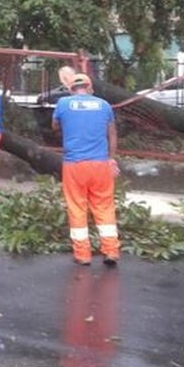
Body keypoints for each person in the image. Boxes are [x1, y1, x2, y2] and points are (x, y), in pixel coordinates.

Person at [51, 73, 120, 266]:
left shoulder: (64, 104)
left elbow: (54, 125)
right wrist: (111, 159)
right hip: (100, 165)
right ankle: (111, 250)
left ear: (71, 89)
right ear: (90, 88)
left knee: (77, 207)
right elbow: (112, 134)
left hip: (74, 165)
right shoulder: (104, 105)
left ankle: (83, 255)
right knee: (104, 207)